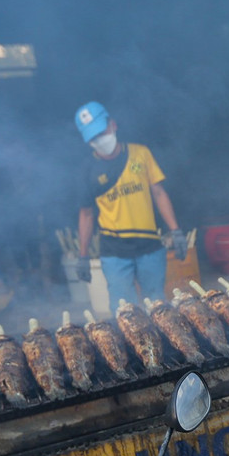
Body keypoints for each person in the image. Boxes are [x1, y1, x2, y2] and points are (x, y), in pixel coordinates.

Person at [75, 101, 185, 308]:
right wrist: (83, 255)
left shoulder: (140, 153)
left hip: (149, 246)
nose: (100, 139)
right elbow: (86, 214)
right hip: (114, 253)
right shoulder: (86, 170)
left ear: (113, 125)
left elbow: (159, 193)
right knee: (125, 311)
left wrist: (176, 230)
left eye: (102, 131)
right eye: (93, 137)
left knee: (158, 307)